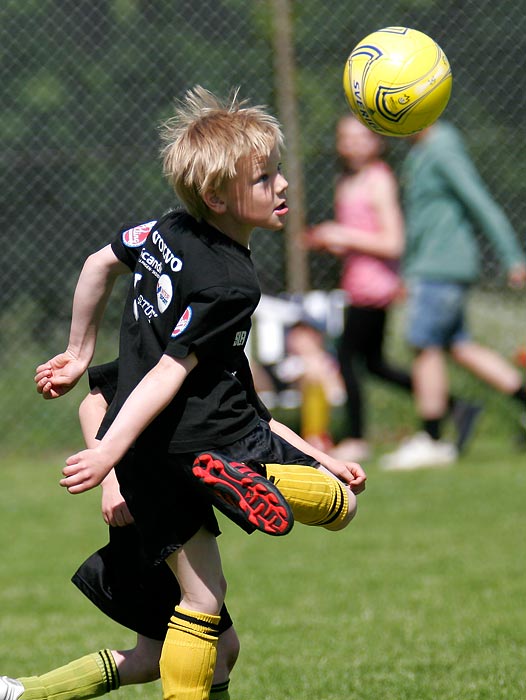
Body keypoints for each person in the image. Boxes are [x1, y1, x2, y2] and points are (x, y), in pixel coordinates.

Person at [34, 86, 366, 700]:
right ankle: (250, 480)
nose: (282, 185)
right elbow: (170, 371)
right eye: (263, 179)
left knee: (202, 610)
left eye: (276, 171)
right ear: (218, 197)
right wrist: (105, 457)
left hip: (159, 452)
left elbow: (96, 263)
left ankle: (245, 479)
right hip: (218, 438)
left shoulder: (168, 228)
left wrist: (81, 353)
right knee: (335, 510)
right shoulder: (232, 283)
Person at [380, 120, 526, 471]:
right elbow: (421, 222)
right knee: (460, 347)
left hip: (441, 267)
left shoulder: (442, 147)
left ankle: (432, 439)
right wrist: (407, 270)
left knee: (423, 345)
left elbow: (479, 201)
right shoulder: (421, 150)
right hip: (429, 267)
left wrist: (512, 256)